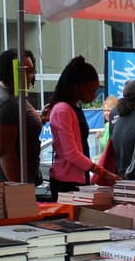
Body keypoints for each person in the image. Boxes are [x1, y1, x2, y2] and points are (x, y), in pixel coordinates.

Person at [47, 57, 113, 199]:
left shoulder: (73, 107)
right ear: (76, 87)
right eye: (91, 90)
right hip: (66, 182)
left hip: (75, 179)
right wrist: (103, 173)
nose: (94, 95)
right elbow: (71, 153)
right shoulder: (63, 110)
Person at [0, 48, 42, 184]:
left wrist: (40, 118)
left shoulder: (14, 93)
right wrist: (20, 186)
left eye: (31, 71)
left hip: (8, 171)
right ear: (9, 71)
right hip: (4, 172)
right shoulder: (6, 101)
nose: (29, 76)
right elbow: (4, 151)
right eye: (23, 71)